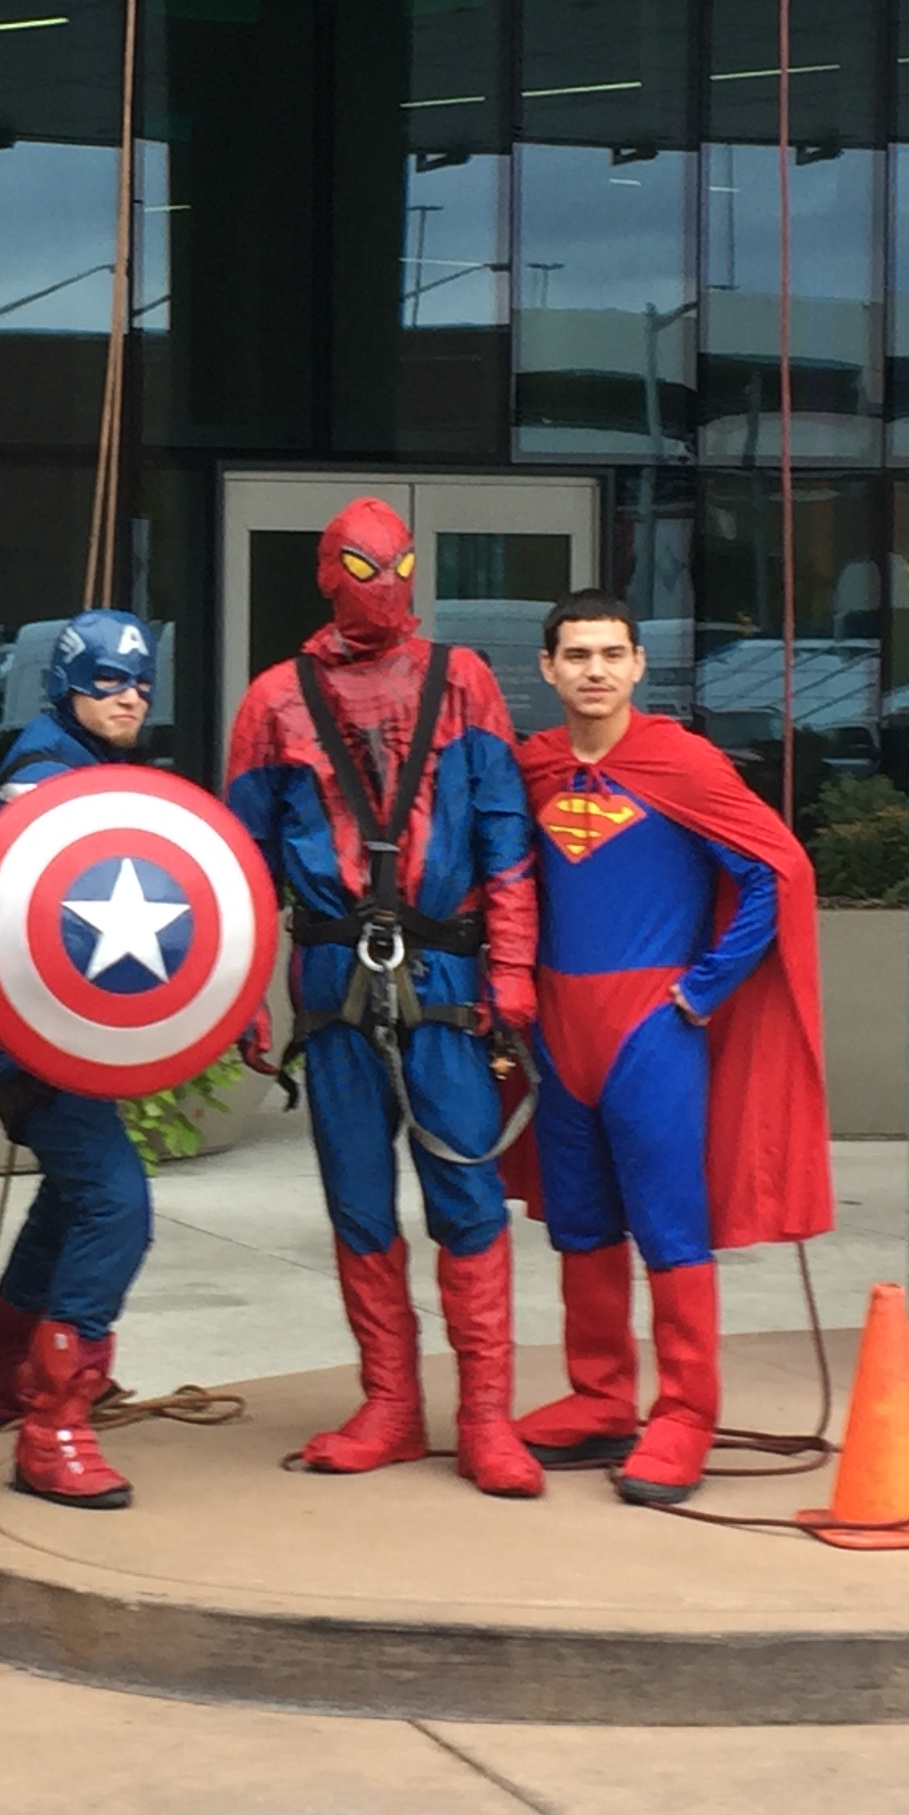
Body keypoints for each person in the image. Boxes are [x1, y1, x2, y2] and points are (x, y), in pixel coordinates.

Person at [224, 499, 544, 1498]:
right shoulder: (274, 701)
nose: (384, 582)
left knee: (466, 1191)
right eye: (364, 564)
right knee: (359, 1199)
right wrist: (240, 994)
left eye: (397, 564)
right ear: (329, 571)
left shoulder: (464, 683)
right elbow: (239, 864)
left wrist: (514, 966)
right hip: (332, 976)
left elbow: (504, 833)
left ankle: (486, 1419)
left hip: (446, 971)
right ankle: (393, 1406)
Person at [507, 590, 832, 1503]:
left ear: (639, 666)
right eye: (576, 655)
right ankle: (601, 1398)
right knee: (578, 1222)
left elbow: (774, 869)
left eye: (612, 653)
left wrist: (702, 989)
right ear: (548, 669)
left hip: (652, 1027)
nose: (595, 671)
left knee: (669, 1223)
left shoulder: (679, 763)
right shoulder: (528, 768)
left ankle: (685, 1412)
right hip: (556, 1029)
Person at [0, 609, 164, 1508]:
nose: (128, 695)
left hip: (58, 1026)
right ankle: (54, 1425)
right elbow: (23, 917)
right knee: (117, 1205)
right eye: (107, 680)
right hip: (31, 1030)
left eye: (140, 679)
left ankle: (12, 1388)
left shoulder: (87, 769)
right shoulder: (44, 780)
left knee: (73, 1196)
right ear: (68, 684)